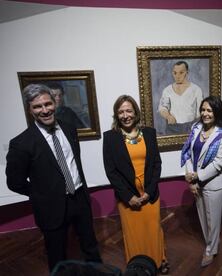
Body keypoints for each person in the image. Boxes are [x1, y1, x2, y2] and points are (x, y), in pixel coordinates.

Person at [6, 83, 101, 271]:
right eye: (37, 106)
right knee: (57, 256)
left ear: (55, 103)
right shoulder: (21, 143)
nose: (45, 110)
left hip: (79, 198)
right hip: (50, 207)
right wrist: (41, 194)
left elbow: (74, 162)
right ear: (29, 110)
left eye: (48, 104)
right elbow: (14, 182)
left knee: (90, 247)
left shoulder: (69, 128)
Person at [102, 95, 169, 274]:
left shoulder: (149, 133)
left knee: (153, 229)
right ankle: (137, 266)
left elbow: (157, 164)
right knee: (134, 233)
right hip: (128, 197)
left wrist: (148, 191)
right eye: (121, 111)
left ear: (136, 112)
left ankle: (157, 261)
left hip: (150, 193)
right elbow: (111, 172)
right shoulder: (110, 138)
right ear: (117, 115)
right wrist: (128, 196)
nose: (125, 115)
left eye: (129, 110)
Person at [181, 96, 222, 267]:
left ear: (217, 112)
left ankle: (211, 250)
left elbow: (218, 163)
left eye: (209, 110)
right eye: (203, 110)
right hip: (196, 182)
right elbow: (188, 153)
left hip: (214, 185)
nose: (205, 113)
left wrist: (196, 176)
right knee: (203, 217)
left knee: (213, 219)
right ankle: (211, 243)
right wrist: (191, 178)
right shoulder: (196, 128)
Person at [158, 60, 203, 135]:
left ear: (187, 73)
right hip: (172, 127)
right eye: (175, 73)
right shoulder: (167, 90)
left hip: (190, 127)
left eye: (181, 73)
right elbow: (162, 108)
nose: (177, 76)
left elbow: (200, 112)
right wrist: (168, 116)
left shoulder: (196, 90)